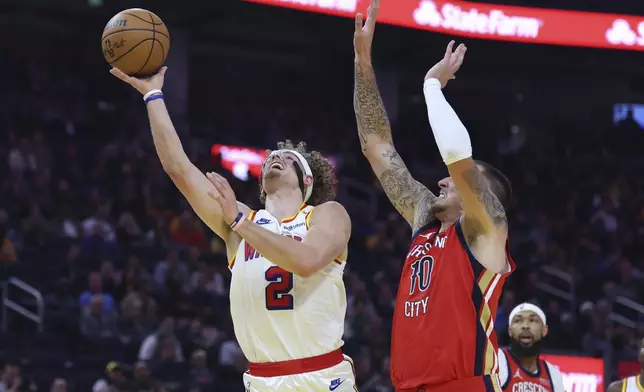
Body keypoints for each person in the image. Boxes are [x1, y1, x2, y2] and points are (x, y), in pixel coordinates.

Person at [109, 68, 356, 391]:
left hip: (322, 377)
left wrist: (240, 223)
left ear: (307, 180)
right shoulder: (241, 218)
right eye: (271, 157)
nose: (274, 158)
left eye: (286, 158)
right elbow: (180, 169)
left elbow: (307, 260)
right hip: (262, 380)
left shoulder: (327, 214)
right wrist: (152, 95)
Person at [353, 1, 514, 391]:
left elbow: (458, 158)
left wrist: (431, 85)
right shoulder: (426, 220)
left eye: (451, 181)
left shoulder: (487, 232)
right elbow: (376, 147)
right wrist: (362, 59)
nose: (441, 182)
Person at [498, 303, 565, 391]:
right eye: (518, 321)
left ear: (544, 330)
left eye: (533, 320)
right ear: (510, 331)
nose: (525, 326)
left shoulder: (553, 374)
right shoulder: (497, 359)